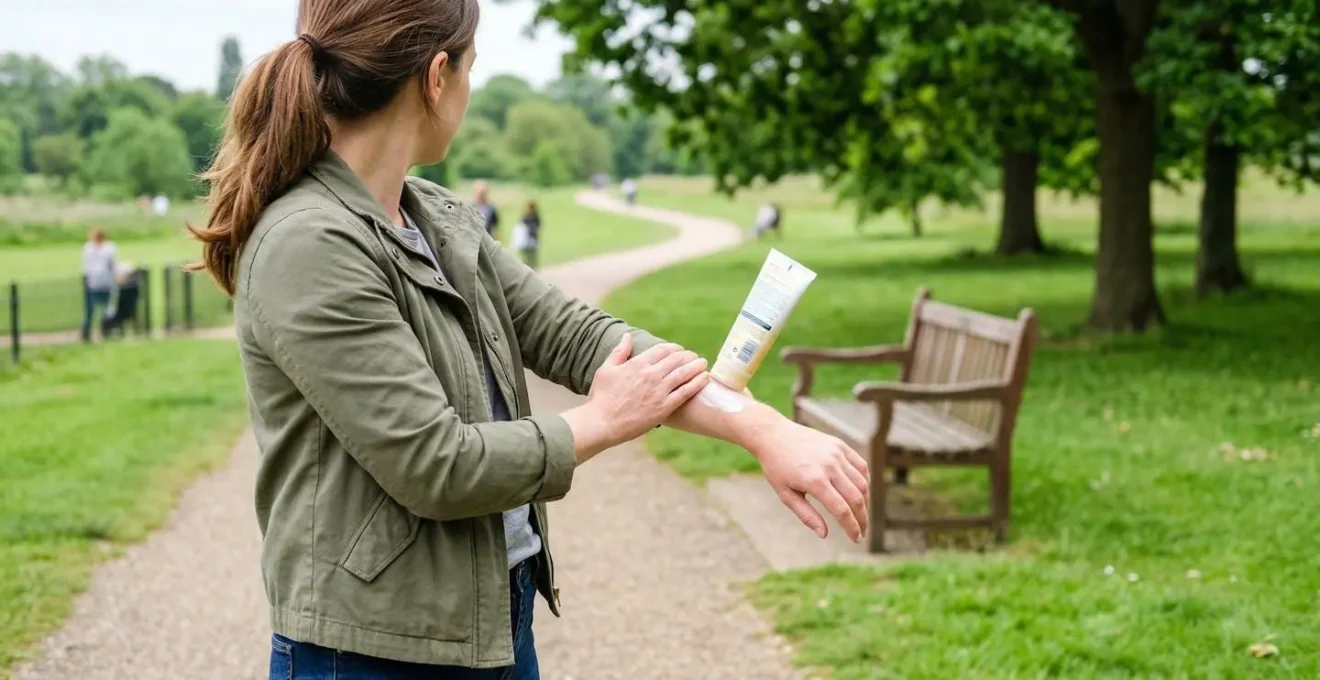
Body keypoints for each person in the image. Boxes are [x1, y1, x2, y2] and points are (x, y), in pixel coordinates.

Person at [190, 2, 869, 678]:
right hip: (372, 651)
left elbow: (583, 337)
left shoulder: (435, 216)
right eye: (470, 67)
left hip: (493, 618)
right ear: (436, 77)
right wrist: (600, 423)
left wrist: (765, 430)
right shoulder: (308, 244)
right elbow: (435, 464)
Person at [81, 227, 116, 342]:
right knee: (92, 310)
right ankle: (90, 332)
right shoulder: (90, 248)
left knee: (104, 309)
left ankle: (103, 330)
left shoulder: (106, 248)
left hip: (102, 282)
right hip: (95, 282)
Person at [101, 262, 140, 339]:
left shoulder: (121, 289)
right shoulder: (132, 286)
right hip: (123, 312)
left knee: (106, 316)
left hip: (119, 312)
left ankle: (108, 333)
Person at [512, 200, 541, 270]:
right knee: (525, 256)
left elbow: (538, 226)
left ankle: (533, 269)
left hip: (532, 239)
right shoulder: (525, 217)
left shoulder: (535, 217)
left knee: (532, 256)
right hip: (525, 239)